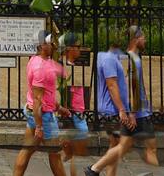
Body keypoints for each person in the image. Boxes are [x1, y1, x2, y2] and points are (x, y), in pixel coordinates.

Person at [12, 34, 65, 176]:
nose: (53, 46)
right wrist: (40, 126)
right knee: (55, 154)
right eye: (49, 43)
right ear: (41, 45)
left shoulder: (35, 60)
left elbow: (45, 95)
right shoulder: (40, 68)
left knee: (27, 149)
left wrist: (59, 108)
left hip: (32, 112)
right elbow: (38, 100)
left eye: (53, 43)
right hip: (42, 115)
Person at [87, 33, 133, 176]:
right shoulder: (109, 60)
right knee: (125, 144)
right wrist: (122, 110)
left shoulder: (111, 59)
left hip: (113, 109)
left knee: (114, 145)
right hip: (112, 110)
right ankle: (94, 169)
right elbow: (112, 85)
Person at [122, 26, 159, 167]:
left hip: (136, 111)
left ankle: (95, 168)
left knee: (120, 148)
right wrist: (132, 112)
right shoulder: (133, 59)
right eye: (143, 38)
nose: (145, 40)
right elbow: (132, 86)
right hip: (140, 113)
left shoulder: (130, 57)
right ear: (136, 39)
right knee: (151, 149)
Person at [57, 34, 89, 176]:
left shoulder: (76, 65)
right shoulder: (62, 66)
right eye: (77, 46)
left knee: (76, 151)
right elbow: (61, 90)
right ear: (69, 48)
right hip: (72, 112)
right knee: (81, 138)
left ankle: (68, 149)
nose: (80, 49)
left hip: (79, 111)